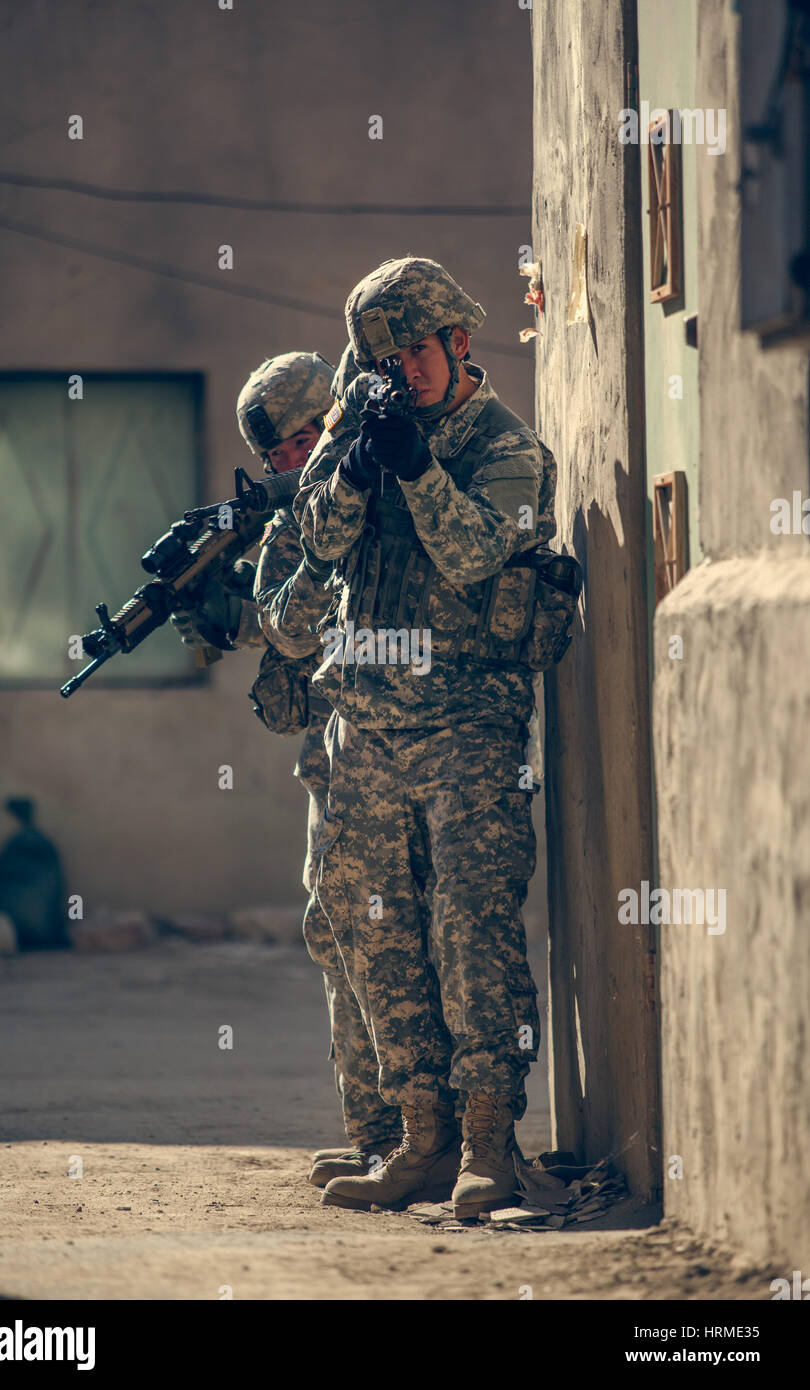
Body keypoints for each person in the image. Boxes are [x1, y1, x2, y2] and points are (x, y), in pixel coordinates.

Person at [278, 257, 557, 1218]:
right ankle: (419, 1140)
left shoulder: (506, 447)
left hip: (468, 729)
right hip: (364, 725)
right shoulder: (360, 419)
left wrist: (415, 467)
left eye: (416, 350)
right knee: (369, 932)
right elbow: (312, 539)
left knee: (470, 931)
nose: (406, 370)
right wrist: (356, 465)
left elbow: (479, 550)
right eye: (385, 356)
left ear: (460, 342)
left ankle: (488, 1142)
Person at [172, 351, 401, 1185]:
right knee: (333, 931)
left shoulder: (375, 482)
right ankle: (377, 1134)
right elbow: (283, 619)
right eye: (280, 454)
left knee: (395, 944)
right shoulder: (295, 512)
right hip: (333, 748)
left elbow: (322, 610)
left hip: (401, 746)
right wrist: (214, 610)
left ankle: (427, 1136)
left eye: (309, 439)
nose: (296, 462)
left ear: (333, 421)